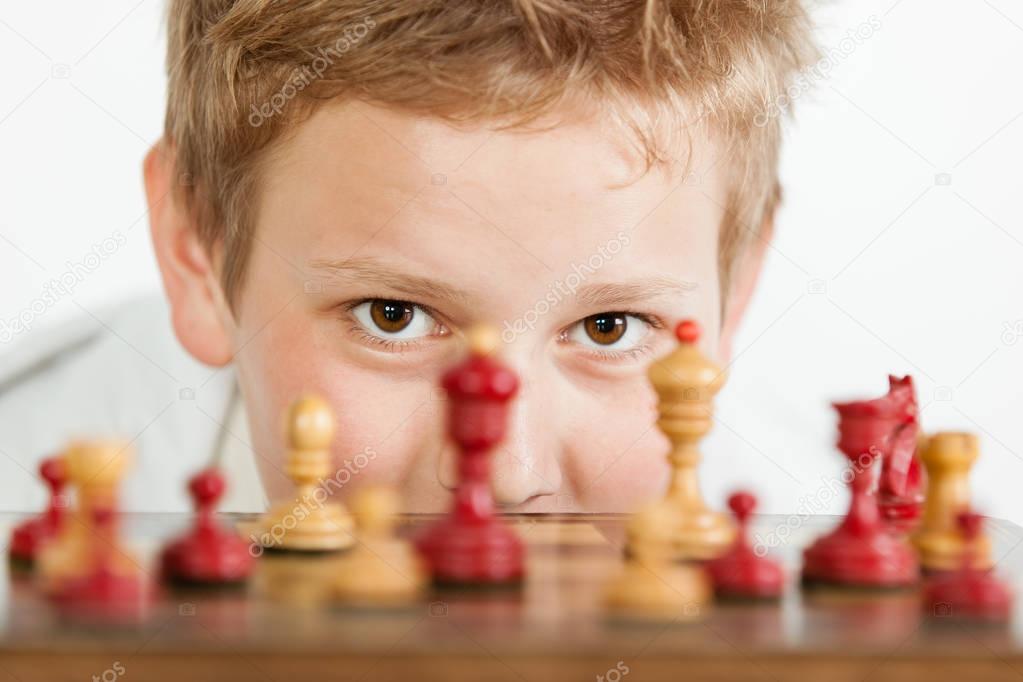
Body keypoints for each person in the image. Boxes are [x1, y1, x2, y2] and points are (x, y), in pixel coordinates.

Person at [0, 0, 817, 513]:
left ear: (734, 292)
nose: (504, 477)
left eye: (608, 327)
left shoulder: (828, 548)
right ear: (196, 254)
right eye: (393, 317)